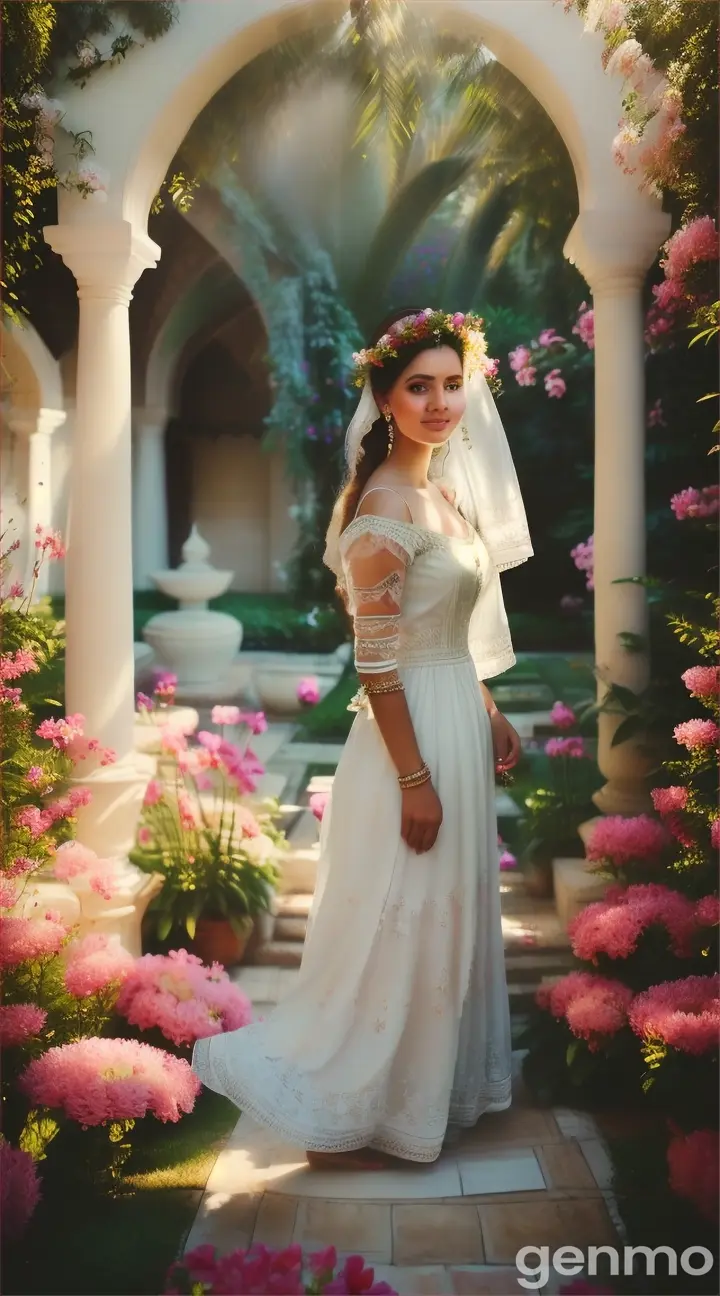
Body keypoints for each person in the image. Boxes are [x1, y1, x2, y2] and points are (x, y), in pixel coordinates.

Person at [192, 306, 534, 1170]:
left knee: (447, 912)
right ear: (383, 398)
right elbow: (377, 666)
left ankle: (429, 1088)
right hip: (406, 732)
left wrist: (487, 706)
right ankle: (358, 1101)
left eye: (453, 384)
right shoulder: (383, 510)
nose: (440, 401)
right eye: (419, 386)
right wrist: (414, 777)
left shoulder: (446, 494)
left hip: (454, 705)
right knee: (399, 908)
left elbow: (444, 623)